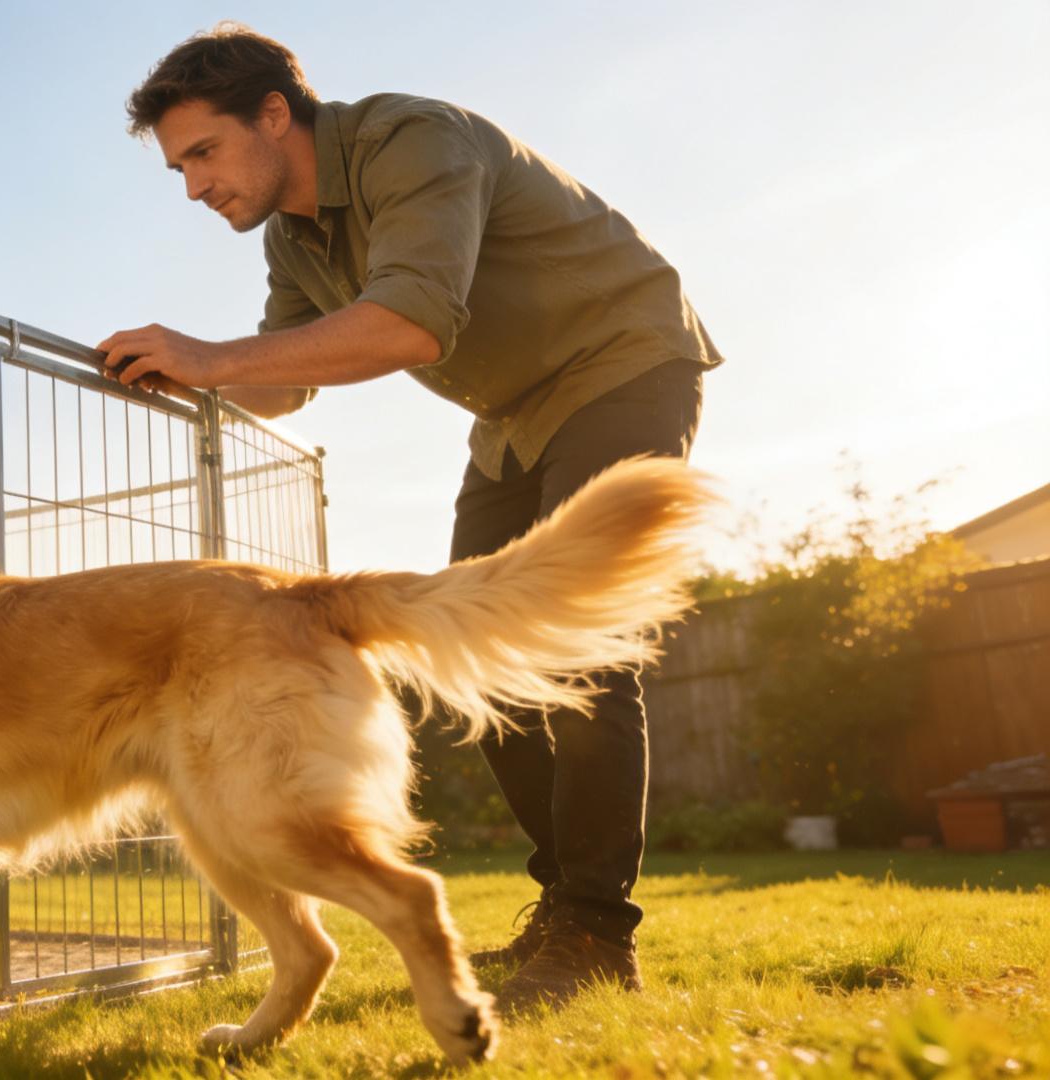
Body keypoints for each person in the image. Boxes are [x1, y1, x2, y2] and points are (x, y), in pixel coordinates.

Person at [97, 24, 720, 1012]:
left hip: (620, 361)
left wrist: (213, 356)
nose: (193, 188)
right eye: (178, 169)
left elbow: (412, 322)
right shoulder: (295, 237)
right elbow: (286, 379)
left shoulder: (411, 141)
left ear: (273, 115)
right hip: (511, 419)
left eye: (203, 154)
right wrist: (184, 381)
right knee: (474, 648)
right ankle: (566, 908)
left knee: (584, 659)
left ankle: (598, 931)